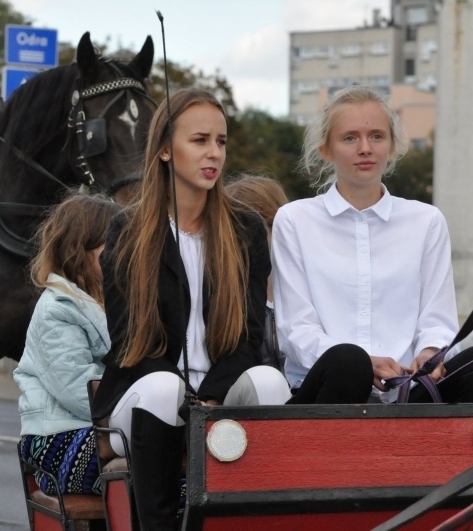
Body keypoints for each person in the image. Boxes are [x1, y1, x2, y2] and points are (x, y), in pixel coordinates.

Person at [90, 88, 289, 530]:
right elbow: (129, 344)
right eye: (199, 140)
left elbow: (249, 339)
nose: (213, 153)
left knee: (269, 380)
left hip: (220, 393)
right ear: (165, 149)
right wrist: (188, 403)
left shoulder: (245, 230)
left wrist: (210, 399)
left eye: (220, 141)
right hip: (145, 394)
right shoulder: (128, 230)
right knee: (164, 387)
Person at [272, 85, 473, 405]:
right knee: (349, 362)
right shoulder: (294, 220)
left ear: (392, 145)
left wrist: (430, 353)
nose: (365, 148)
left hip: (408, 392)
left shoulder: (426, 221)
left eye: (376, 136)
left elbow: (438, 319)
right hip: (329, 389)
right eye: (350, 138)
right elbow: (296, 330)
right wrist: (364, 364)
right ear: (326, 150)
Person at [15, 191, 122, 497]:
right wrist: (142, 412)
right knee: (157, 472)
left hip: (104, 430)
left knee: (191, 472)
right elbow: (79, 391)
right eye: (113, 245)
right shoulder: (57, 309)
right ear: (79, 249)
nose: (122, 255)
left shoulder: (113, 302)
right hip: (57, 440)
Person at [225, 174, 289, 372]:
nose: (245, 243)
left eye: (257, 229)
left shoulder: (307, 288)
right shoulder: (222, 298)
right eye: (235, 232)